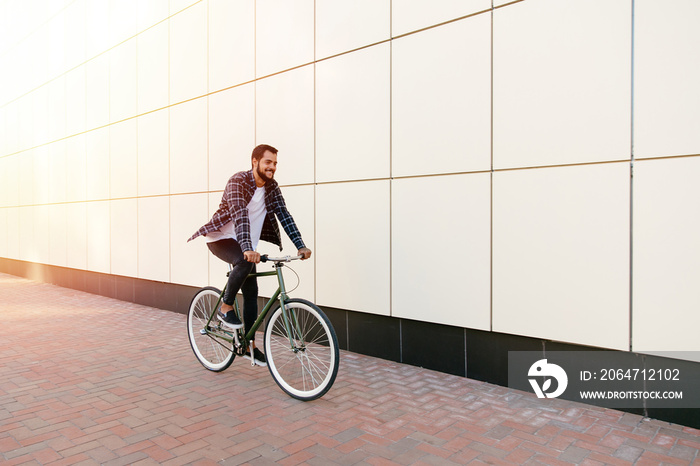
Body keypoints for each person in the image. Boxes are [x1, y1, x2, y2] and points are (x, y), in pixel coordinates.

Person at [188, 144, 312, 366]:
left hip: (246, 245)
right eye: (268, 162)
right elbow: (240, 216)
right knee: (243, 262)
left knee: (252, 291)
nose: (272, 167)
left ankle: (249, 344)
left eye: (275, 163)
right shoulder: (238, 181)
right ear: (254, 162)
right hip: (221, 239)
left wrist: (300, 245)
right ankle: (225, 308)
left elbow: (284, 215)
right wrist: (247, 249)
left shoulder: (272, 187)